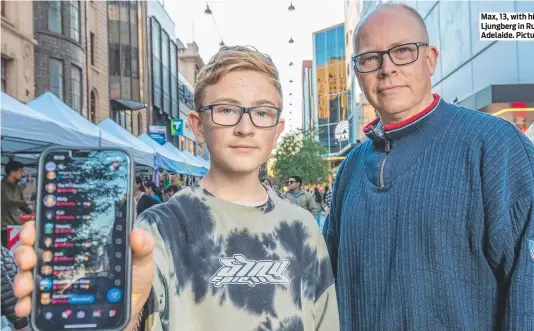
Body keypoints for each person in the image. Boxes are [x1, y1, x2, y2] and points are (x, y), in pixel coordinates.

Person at [11, 45, 338, 331]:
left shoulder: (302, 227)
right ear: (197, 126)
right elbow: (132, 317)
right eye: (226, 110)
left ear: (277, 129)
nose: (245, 127)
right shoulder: (158, 229)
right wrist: (127, 311)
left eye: (262, 112)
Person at [323, 3, 534, 330]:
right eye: (370, 57)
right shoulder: (351, 168)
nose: (386, 67)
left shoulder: (495, 145)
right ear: (358, 72)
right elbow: (328, 284)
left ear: (431, 58)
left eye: (403, 50)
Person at [1, 161, 33, 248]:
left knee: (15, 252)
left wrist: (33, 213)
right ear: (12, 173)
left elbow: (21, 205)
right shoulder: (2, 186)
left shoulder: (17, 187)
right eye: (21, 171)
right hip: (4, 227)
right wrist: (25, 202)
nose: (23, 174)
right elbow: (7, 202)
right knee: (8, 254)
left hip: (15, 226)